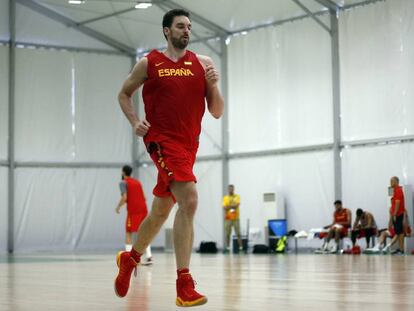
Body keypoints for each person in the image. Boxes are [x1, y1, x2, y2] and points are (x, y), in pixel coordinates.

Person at [114, 8, 224, 307]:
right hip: (161, 142)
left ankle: (130, 259)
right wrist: (136, 122)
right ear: (167, 30)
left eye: (189, 26)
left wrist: (213, 84)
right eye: (180, 26)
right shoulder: (149, 63)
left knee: (161, 212)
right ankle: (183, 283)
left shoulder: (203, 63)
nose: (186, 31)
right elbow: (124, 94)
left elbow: (216, 111)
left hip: (189, 147)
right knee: (189, 199)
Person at [115, 165, 152, 265]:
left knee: (128, 233)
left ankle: (128, 258)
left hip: (133, 211)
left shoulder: (123, 183)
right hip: (143, 210)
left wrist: (118, 207)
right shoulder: (137, 182)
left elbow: (124, 198)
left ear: (123, 172)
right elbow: (144, 197)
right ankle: (149, 256)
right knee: (144, 233)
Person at [387, 176, 405, 254]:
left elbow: (397, 203)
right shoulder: (393, 190)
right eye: (390, 181)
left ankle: (401, 249)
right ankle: (400, 249)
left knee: (399, 233)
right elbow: (392, 202)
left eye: (392, 181)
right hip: (395, 214)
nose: (390, 182)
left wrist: (394, 214)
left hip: (398, 214)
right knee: (399, 232)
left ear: (396, 182)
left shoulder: (398, 190)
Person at [222, 184, 242, 252]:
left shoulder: (237, 197)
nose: (231, 190)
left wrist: (229, 206)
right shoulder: (225, 198)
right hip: (228, 218)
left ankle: (240, 247)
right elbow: (224, 207)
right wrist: (232, 206)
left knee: (238, 233)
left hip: (236, 218)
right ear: (228, 190)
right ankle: (228, 247)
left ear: (234, 189)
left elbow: (237, 205)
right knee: (227, 233)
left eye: (232, 189)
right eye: (229, 189)